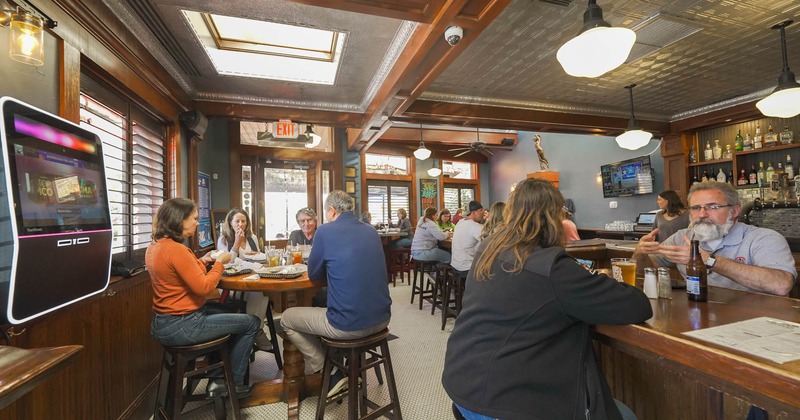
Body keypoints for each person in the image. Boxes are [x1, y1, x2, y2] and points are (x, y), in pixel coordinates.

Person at [442, 179, 652, 420]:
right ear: (554, 217)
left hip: (463, 385)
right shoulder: (552, 268)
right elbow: (638, 306)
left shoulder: (488, 248)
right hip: (504, 403)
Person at [280, 190, 392, 398]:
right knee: (326, 303)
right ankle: (339, 359)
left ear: (331, 210)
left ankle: (331, 372)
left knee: (287, 318)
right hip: (383, 319)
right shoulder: (371, 231)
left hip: (348, 325)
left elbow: (314, 274)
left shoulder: (325, 231)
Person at [148, 198, 260, 399]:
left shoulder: (157, 246)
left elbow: (182, 274)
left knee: (231, 311)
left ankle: (218, 377)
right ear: (179, 219)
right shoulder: (177, 250)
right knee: (252, 322)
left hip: (163, 322)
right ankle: (230, 384)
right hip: (183, 324)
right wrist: (219, 263)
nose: (197, 222)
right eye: (193, 218)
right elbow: (205, 287)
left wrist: (203, 260)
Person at [634, 181, 796, 296]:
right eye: (696, 208)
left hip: (757, 323)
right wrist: (641, 253)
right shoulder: (682, 237)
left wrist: (709, 260)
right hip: (698, 318)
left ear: (734, 211)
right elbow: (646, 270)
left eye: (713, 207)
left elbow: (781, 285)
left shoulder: (763, 238)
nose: (702, 214)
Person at [216, 208, 273, 352]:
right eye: (237, 221)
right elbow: (226, 263)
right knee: (257, 294)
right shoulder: (223, 240)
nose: (240, 224)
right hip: (232, 286)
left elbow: (258, 257)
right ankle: (256, 330)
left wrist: (257, 255)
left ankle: (255, 329)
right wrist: (236, 244)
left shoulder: (252, 238)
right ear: (230, 222)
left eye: (243, 221)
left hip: (251, 278)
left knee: (263, 293)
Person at [450, 201, 486, 274]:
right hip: (467, 268)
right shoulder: (475, 227)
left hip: (455, 265)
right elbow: (490, 242)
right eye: (481, 210)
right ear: (473, 213)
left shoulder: (460, 222)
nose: (483, 212)